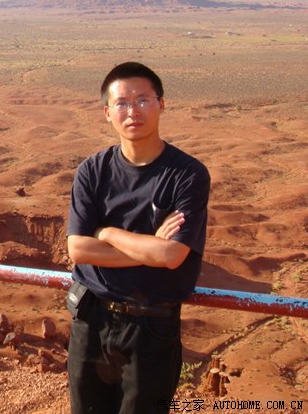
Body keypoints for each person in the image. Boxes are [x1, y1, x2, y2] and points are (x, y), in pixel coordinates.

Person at [65, 61, 210, 414]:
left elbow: (172, 256)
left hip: (152, 329)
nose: (133, 111)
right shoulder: (92, 171)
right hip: (91, 321)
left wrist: (107, 232)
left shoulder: (187, 175)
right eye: (122, 103)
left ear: (161, 104)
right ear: (107, 112)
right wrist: (150, 247)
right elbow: (79, 249)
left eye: (143, 100)